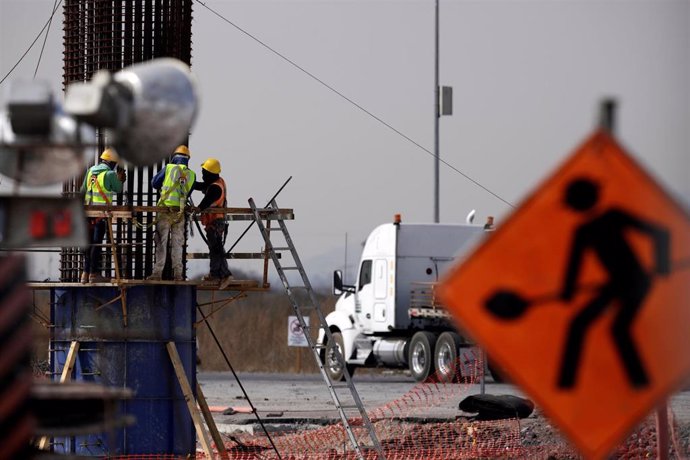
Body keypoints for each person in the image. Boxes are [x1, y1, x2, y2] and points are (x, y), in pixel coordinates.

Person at [557, 177, 669, 389]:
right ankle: (566, 384)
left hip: (636, 282)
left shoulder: (614, 217)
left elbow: (661, 234)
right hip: (616, 285)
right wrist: (568, 291)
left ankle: (639, 382)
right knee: (578, 325)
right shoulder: (583, 231)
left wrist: (662, 266)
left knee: (619, 329)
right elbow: (573, 268)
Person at [147, 145, 196, 281]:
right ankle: (178, 275)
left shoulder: (168, 168)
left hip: (165, 211)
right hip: (179, 213)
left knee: (161, 242)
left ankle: (157, 273)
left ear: (175, 157)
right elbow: (188, 193)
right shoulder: (191, 174)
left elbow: (154, 183)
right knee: (177, 243)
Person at [81, 147, 126, 283]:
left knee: (88, 244)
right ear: (112, 163)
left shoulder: (90, 171)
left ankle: (85, 274)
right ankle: (94, 274)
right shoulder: (109, 174)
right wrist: (120, 180)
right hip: (101, 215)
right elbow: (117, 189)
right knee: (97, 244)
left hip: (87, 214)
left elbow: (82, 190)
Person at [194, 158, 234, 289]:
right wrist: (189, 183)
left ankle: (224, 274)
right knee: (215, 249)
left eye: (204, 172)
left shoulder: (215, 188)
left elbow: (207, 200)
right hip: (215, 223)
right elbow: (201, 185)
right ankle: (216, 273)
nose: (202, 174)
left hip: (215, 223)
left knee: (216, 250)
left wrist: (197, 209)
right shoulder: (216, 182)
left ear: (209, 173)